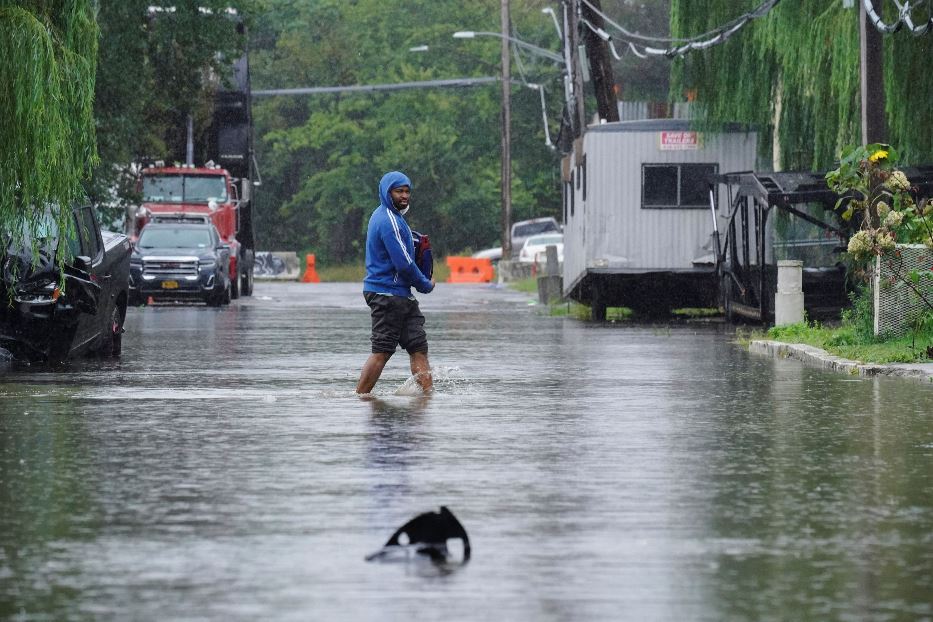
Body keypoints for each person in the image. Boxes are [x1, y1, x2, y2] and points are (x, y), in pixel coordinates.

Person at [356, 171, 435, 395]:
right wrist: (425, 284)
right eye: (399, 191)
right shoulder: (388, 220)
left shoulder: (395, 218)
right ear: (386, 192)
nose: (404, 196)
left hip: (401, 295)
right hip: (386, 295)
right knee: (382, 351)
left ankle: (428, 399)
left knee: (418, 348)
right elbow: (404, 264)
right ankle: (360, 399)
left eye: (407, 191)